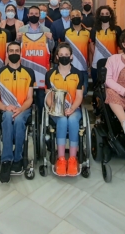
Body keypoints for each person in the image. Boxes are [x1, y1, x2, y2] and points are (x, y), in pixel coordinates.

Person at [0, 42, 35, 183]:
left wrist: (21, 108)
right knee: (8, 116)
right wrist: (6, 107)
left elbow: (30, 98)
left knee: (18, 119)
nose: (14, 53)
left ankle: (18, 158)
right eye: (11, 51)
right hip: (7, 109)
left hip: (24, 109)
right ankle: (6, 160)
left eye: (17, 50)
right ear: (7, 54)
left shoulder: (29, 72)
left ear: (21, 53)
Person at [45, 43, 83, 176]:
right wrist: (53, 108)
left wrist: (72, 108)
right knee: (61, 120)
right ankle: (61, 159)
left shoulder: (78, 74)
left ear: (71, 56)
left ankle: (72, 159)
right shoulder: (50, 74)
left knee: (72, 121)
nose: (64, 57)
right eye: (61, 55)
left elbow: (79, 96)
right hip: (57, 111)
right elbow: (49, 96)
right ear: (57, 57)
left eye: (67, 55)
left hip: (74, 109)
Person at [18, 5, 54, 116]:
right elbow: (17, 48)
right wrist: (17, 39)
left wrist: (51, 39)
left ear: (40, 15)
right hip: (26, 69)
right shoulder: (21, 30)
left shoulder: (46, 30)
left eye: (36, 14)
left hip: (41, 71)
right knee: (25, 97)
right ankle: (27, 118)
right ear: (28, 15)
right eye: (32, 14)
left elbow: (51, 49)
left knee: (40, 98)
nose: (34, 16)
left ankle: (40, 119)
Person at [90, 5, 122, 83]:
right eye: (102, 14)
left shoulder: (117, 29)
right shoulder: (94, 30)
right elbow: (91, 45)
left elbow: (121, 47)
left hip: (113, 62)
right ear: (99, 16)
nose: (105, 16)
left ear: (110, 15)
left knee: (111, 87)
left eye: (107, 13)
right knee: (97, 87)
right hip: (97, 63)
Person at [64, 9, 91, 95]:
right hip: (69, 68)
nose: (75, 18)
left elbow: (90, 49)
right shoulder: (65, 32)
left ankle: (80, 107)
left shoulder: (88, 32)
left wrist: (89, 66)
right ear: (70, 18)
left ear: (81, 17)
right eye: (73, 16)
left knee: (84, 91)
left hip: (83, 68)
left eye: (77, 16)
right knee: (69, 91)